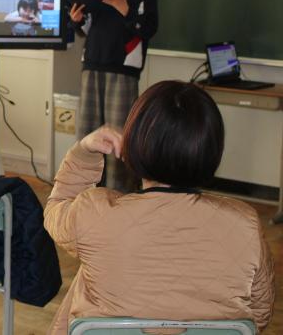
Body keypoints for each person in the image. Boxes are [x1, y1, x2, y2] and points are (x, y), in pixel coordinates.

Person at [44, 81, 275, 334]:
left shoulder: (93, 214)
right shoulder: (244, 223)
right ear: (212, 151)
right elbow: (259, 313)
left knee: (89, 281)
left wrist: (84, 152)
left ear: (134, 142)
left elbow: (56, 207)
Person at [68, 0, 158, 191]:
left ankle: (120, 197)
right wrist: (77, 21)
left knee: (119, 138)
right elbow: (88, 27)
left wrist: (125, 10)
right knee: (88, 135)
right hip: (92, 64)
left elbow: (149, 28)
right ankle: (86, 195)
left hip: (123, 69)